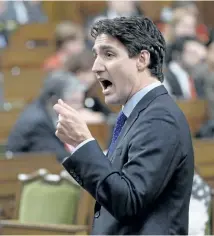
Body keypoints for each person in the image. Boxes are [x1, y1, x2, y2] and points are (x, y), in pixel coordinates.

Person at [53, 16, 194, 234]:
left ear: (141, 59)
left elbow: (128, 202)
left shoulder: (159, 118)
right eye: (96, 56)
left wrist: (83, 142)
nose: (96, 67)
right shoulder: (137, 114)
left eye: (108, 54)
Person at [6, 70, 86, 162]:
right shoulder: (38, 124)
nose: (79, 108)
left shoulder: (45, 109)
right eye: (74, 102)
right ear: (55, 100)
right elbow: (59, 158)